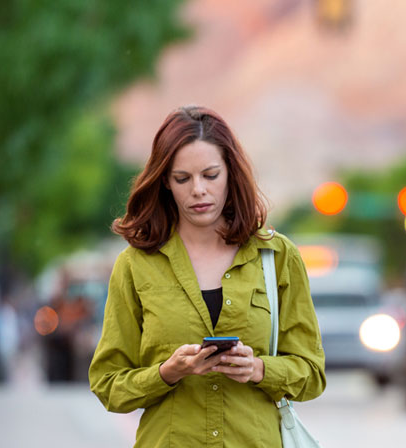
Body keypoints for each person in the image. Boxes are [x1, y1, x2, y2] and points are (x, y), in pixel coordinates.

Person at [88, 105, 326, 446]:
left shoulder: (277, 257)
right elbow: (108, 384)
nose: (198, 190)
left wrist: (259, 370)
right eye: (182, 178)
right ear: (166, 183)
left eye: (210, 175)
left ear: (230, 174)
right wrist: (167, 373)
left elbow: (312, 374)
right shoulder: (135, 265)